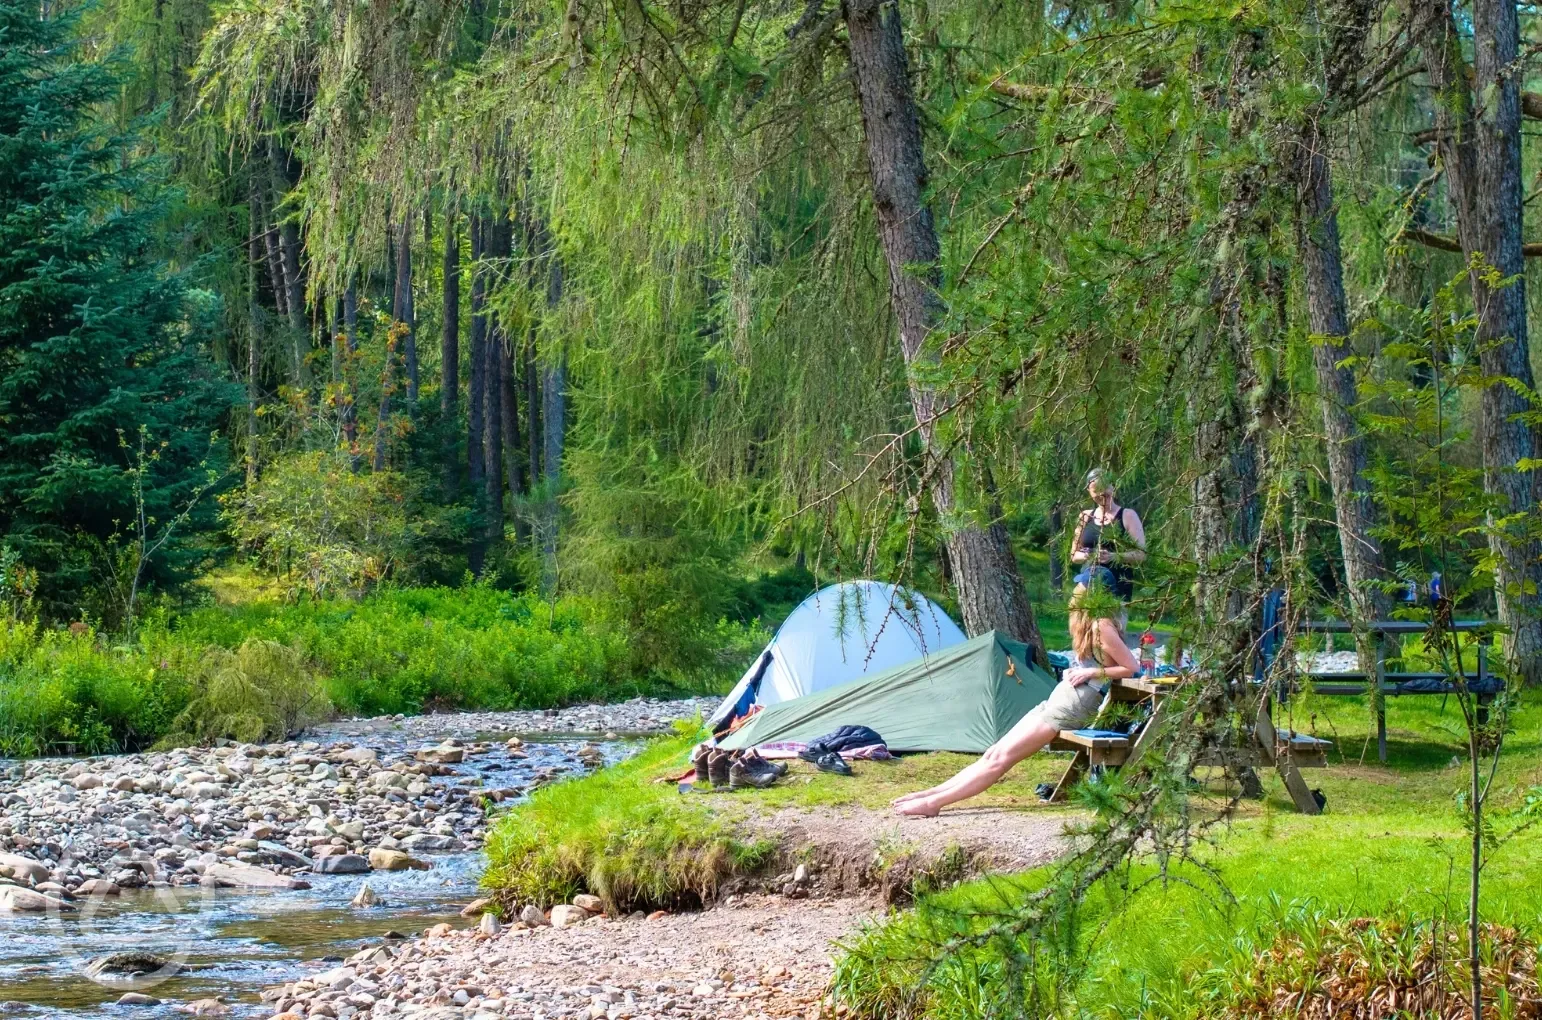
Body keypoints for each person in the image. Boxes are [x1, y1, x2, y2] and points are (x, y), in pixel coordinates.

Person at [892, 568, 1140, 817]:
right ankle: (931, 794)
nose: (1076, 592)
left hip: (1073, 705)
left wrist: (1088, 673)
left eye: (1082, 587)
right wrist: (1079, 670)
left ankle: (935, 804)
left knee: (1003, 758)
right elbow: (1100, 663)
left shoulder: (1102, 626)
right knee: (994, 752)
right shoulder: (1090, 624)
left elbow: (1130, 668)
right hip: (1060, 698)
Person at [1071, 468, 1146, 615]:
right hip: (1089, 584)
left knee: (1112, 632)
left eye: (1104, 487)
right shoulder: (1085, 516)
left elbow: (1141, 555)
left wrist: (1113, 557)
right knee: (1081, 630)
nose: (1100, 493)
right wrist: (1090, 555)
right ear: (1089, 491)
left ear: (1112, 486)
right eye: (1095, 490)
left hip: (1119, 587)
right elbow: (1074, 556)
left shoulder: (1127, 515)